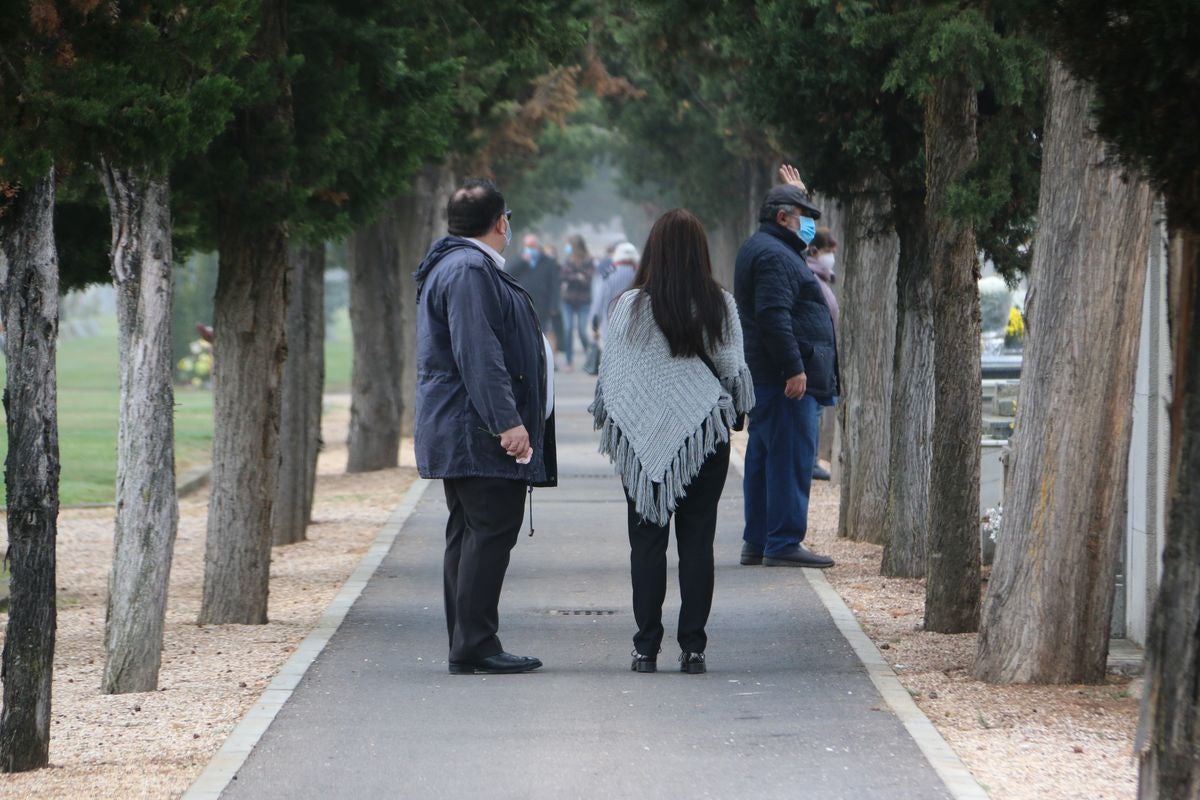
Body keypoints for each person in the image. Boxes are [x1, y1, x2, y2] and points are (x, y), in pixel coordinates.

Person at [591, 209, 754, 674]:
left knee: (645, 543)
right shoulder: (718, 303)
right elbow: (732, 368)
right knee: (697, 542)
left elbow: (614, 377)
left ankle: (645, 648)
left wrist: (627, 419)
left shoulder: (628, 305)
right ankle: (694, 647)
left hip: (641, 441)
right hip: (703, 438)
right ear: (700, 250)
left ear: (653, 250)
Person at [414, 179, 557, 675]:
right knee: (490, 529)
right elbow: (479, 354)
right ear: (501, 222)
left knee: (471, 532)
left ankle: (467, 641)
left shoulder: (458, 265)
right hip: (475, 429)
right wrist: (508, 423)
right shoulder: (471, 269)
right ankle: (475, 642)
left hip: (464, 425)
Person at [733, 176, 838, 569]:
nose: (808, 224)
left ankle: (758, 540)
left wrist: (802, 192)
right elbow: (774, 316)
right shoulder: (775, 255)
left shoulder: (767, 247)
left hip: (768, 374)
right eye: (804, 216)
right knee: (790, 458)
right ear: (782, 217)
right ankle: (782, 540)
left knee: (763, 458)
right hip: (784, 379)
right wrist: (794, 368)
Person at [805, 227, 838, 482]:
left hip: (822, 358)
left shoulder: (822, 277)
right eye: (828, 251)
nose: (831, 257)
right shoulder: (811, 276)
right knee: (812, 414)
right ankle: (810, 461)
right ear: (814, 251)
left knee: (816, 413)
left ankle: (813, 459)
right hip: (815, 359)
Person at [509, 233, 561, 348]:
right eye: (527, 246)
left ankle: (544, 357)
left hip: (542, 305)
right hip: (523, 304)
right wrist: (522, 261)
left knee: (541, 334)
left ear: (537, 246)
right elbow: (508, 273)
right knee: (524, 334)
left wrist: (554, 305)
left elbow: (555, 285)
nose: (530, 249)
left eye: (532, 246)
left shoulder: (548, 262)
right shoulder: (519, 259)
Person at [558, 234, 595, 371]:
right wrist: (578, 276)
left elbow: (588, 279)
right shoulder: (567, 260)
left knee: (582, 331)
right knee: (567, 329)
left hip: (583, 301)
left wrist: (574, 276)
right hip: (567, 300)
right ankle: (569, 361)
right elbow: (563, 276)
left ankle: (589, 357)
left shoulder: (589, 260)